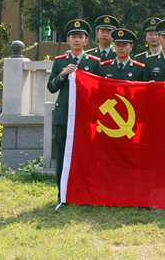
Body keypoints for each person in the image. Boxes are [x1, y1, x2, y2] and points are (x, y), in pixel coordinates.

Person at [47, 19, 101, 202]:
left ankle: (86, 194)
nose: (77, 40)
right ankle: (62, 195)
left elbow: (100, 89)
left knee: (87, 155)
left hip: (86, 116)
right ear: (68, 40)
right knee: (62, 155)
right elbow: (51, 87)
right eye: (73, 37)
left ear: (86, 41)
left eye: (80, 37)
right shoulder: (60, 62)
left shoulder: (94, 63)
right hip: (63, 115)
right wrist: (63, 74)